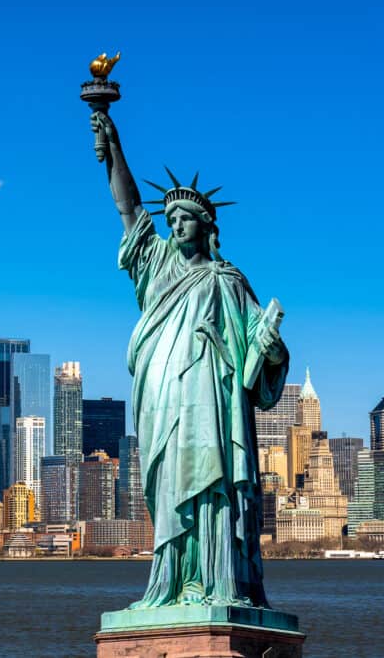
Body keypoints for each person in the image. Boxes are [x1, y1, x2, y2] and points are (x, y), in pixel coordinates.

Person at [90, 110, 289, 608]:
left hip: (212, 403)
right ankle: (172, 583)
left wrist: (272, 348)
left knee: (213, 485)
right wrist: (113, 147)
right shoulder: (155, 264)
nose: (175, 225)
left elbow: (258, 356)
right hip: (162, 399)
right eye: (171, 218)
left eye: (185, 219)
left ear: (206, 227)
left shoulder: (228, 280)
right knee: (169, 485)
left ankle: (217, 582)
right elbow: (129, 209)